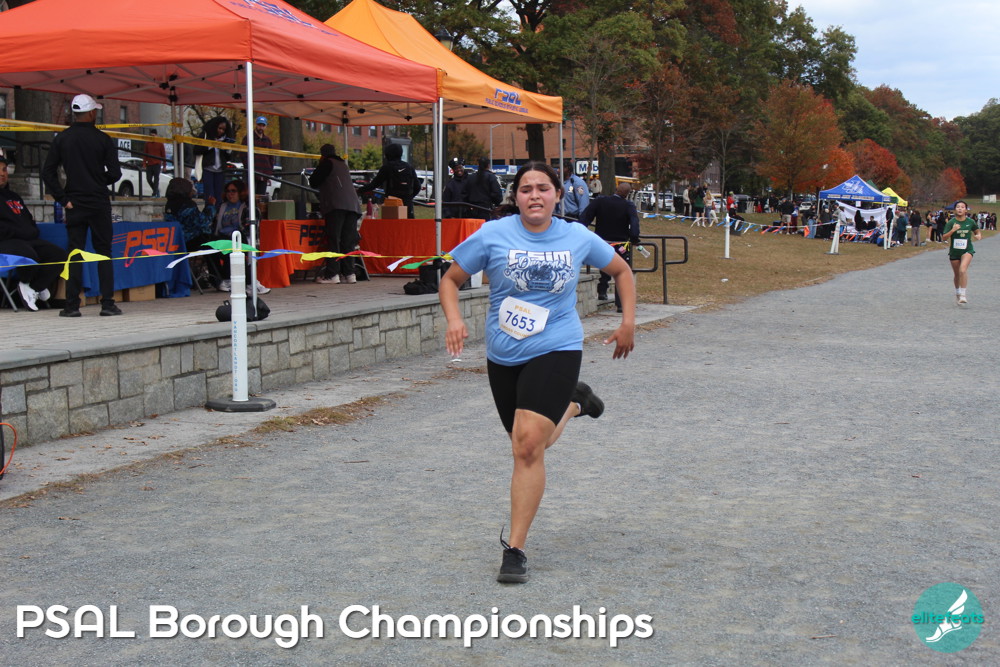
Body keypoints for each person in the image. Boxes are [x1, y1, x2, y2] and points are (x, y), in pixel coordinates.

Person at [438, 161, 635, 584]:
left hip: (557, 346)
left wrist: (628, 322)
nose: (534, 196)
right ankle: (574, 404)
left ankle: (515, 550)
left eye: (543, 188)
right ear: (516, 197)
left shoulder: (576, 236)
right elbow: (450, 280)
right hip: (504, 352)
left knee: (527, 446)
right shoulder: (493, 234)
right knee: (526, 441)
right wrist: (454, 319)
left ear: (558, 195)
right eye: (525, 189)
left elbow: (621, 270)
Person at [41, 93, 123, 317]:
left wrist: (62, 198)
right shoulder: (103, 139)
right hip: (98, 201)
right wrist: (98, 180)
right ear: (91, 113)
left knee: (75, 253)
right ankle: (107, 304)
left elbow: (48, 172)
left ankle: (72, 305)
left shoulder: (62, 138)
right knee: (103, 252)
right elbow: (115, 173)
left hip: (74, 202)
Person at [0, 154, 67, 311]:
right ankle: (28, 285)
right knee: (29, 255)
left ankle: (34, 287)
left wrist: (30, 231)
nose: (2, 174)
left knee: (58, 255)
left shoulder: (14, 197)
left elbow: (29, 221)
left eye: (4, 170)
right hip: (5, 242)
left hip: (26, 240)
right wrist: (21, 232)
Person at [580, 181, 641, 312]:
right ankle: (620, 304)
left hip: (602, 242)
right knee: (621, 272)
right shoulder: (628, 206)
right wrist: (634, 238)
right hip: (621, 244)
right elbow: (634, 223)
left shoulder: (600, 201)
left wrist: (580, 231)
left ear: (616, 189)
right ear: (627, 194)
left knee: (605, 265)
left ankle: (602, 290)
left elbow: (585, 217)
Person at [309, 144, 362, 285]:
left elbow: (313, 181)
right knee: (348, 241)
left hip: (336, 205)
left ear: (322, 155)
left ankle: (332, 274)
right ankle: (349, 274)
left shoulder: (327, 163)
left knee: (334, 239)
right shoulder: (343, 165)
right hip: (353, 205)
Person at [358, 143, 420, 218]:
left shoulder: (387, 167)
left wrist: (359, 190)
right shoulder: (409, 167)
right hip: (407, 204)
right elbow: (417, 186)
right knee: (408, 224)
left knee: (391, 224)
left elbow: (374, 184)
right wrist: (409, 197)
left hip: (392, 203)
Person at [942, 200, 981, 305]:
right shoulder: (951, 222)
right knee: (957, 274)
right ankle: (958, 292)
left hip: (967, 250)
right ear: (955, 209)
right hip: (954, 252)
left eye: (962, 207)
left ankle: (963, 295)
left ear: (966, 210)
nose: (960, 209)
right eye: (958, 207)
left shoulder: (970, 222)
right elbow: (944, 237)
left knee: (962, 270)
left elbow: (977, 230)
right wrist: (953, 230)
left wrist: (978, 235)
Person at [193, 115, 234, 205]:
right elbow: (196, 150)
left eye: (223, 129)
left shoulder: (226, 139)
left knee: (219, 197)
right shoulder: (205, 135)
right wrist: (211, 145)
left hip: (220, 171)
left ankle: (218, 212)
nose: (221, 131)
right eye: (219, 128)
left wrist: (227, 149)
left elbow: (229, 157)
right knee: (209, 196)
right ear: (214, 126)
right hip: (208, 169)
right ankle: (209, 212)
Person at [242, 116, 274, 201]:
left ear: (265, 126)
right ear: (256, 125)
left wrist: (269, 172)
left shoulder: (268, 140)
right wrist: (248, 168)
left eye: (263, 125)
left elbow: (271, 157)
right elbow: (243, 155)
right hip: (252, 173)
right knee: (250, 197)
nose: (261, 127)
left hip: (264, 175)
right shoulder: (248, 138)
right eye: (259, 125)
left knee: (260, 198)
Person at [142, 129, 167, 197]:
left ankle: (154, 193)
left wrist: (164, 166)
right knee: (149, 179)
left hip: (157, 164)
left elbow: (163, 155)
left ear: (156, 135)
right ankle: (156, 190)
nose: (152, 137)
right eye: (151, 136)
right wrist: (144, 164)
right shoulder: (147, 143)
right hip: (149, 164)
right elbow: (145, 154)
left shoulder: (160, 143)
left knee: (156, 179)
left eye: (153, 136)